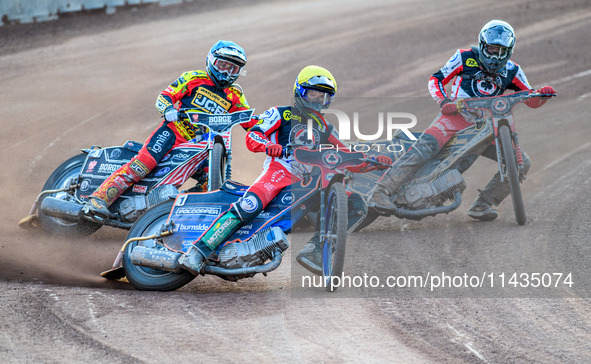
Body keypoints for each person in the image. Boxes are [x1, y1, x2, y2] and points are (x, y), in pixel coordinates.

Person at [178, 65, 392, 274]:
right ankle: (197, 251)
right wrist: (270, 147)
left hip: (310, 182)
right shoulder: (281, 114)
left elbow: (348, 157)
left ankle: (315, 250)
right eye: (313, 95)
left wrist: (373, 161)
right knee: (249, 205)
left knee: (356, 204)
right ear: (299, 92)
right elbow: (253, 135)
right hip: (280, 170)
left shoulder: (327, 128)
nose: (318, 101)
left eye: (324, 97)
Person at [370, 20, 556, 221]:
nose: (495, 56)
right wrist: (444, 102)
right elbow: (436, 79)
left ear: (509, 51)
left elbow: (530, 99)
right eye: (491, 49)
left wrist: (542, 96)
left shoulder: (513, 71)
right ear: (483, 45)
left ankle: (483, 205)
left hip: (487, 129)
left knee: (523, 163)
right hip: (455, 118)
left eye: (501, 51)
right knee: (426, 145)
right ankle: (381, 191)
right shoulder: (464, 57)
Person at [82, 40, 256, 219]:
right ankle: (97, 199)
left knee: (210, 182)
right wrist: (168, 110)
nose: (226, 72)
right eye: (223, 65)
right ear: (211, 61)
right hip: (173, 133)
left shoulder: (235, 94)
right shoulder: (193, 78)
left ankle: (171, 210)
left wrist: (270, 128)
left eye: (233, 69)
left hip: (201, 147)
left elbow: (249, 121)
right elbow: (164, 96)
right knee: (142, 166)